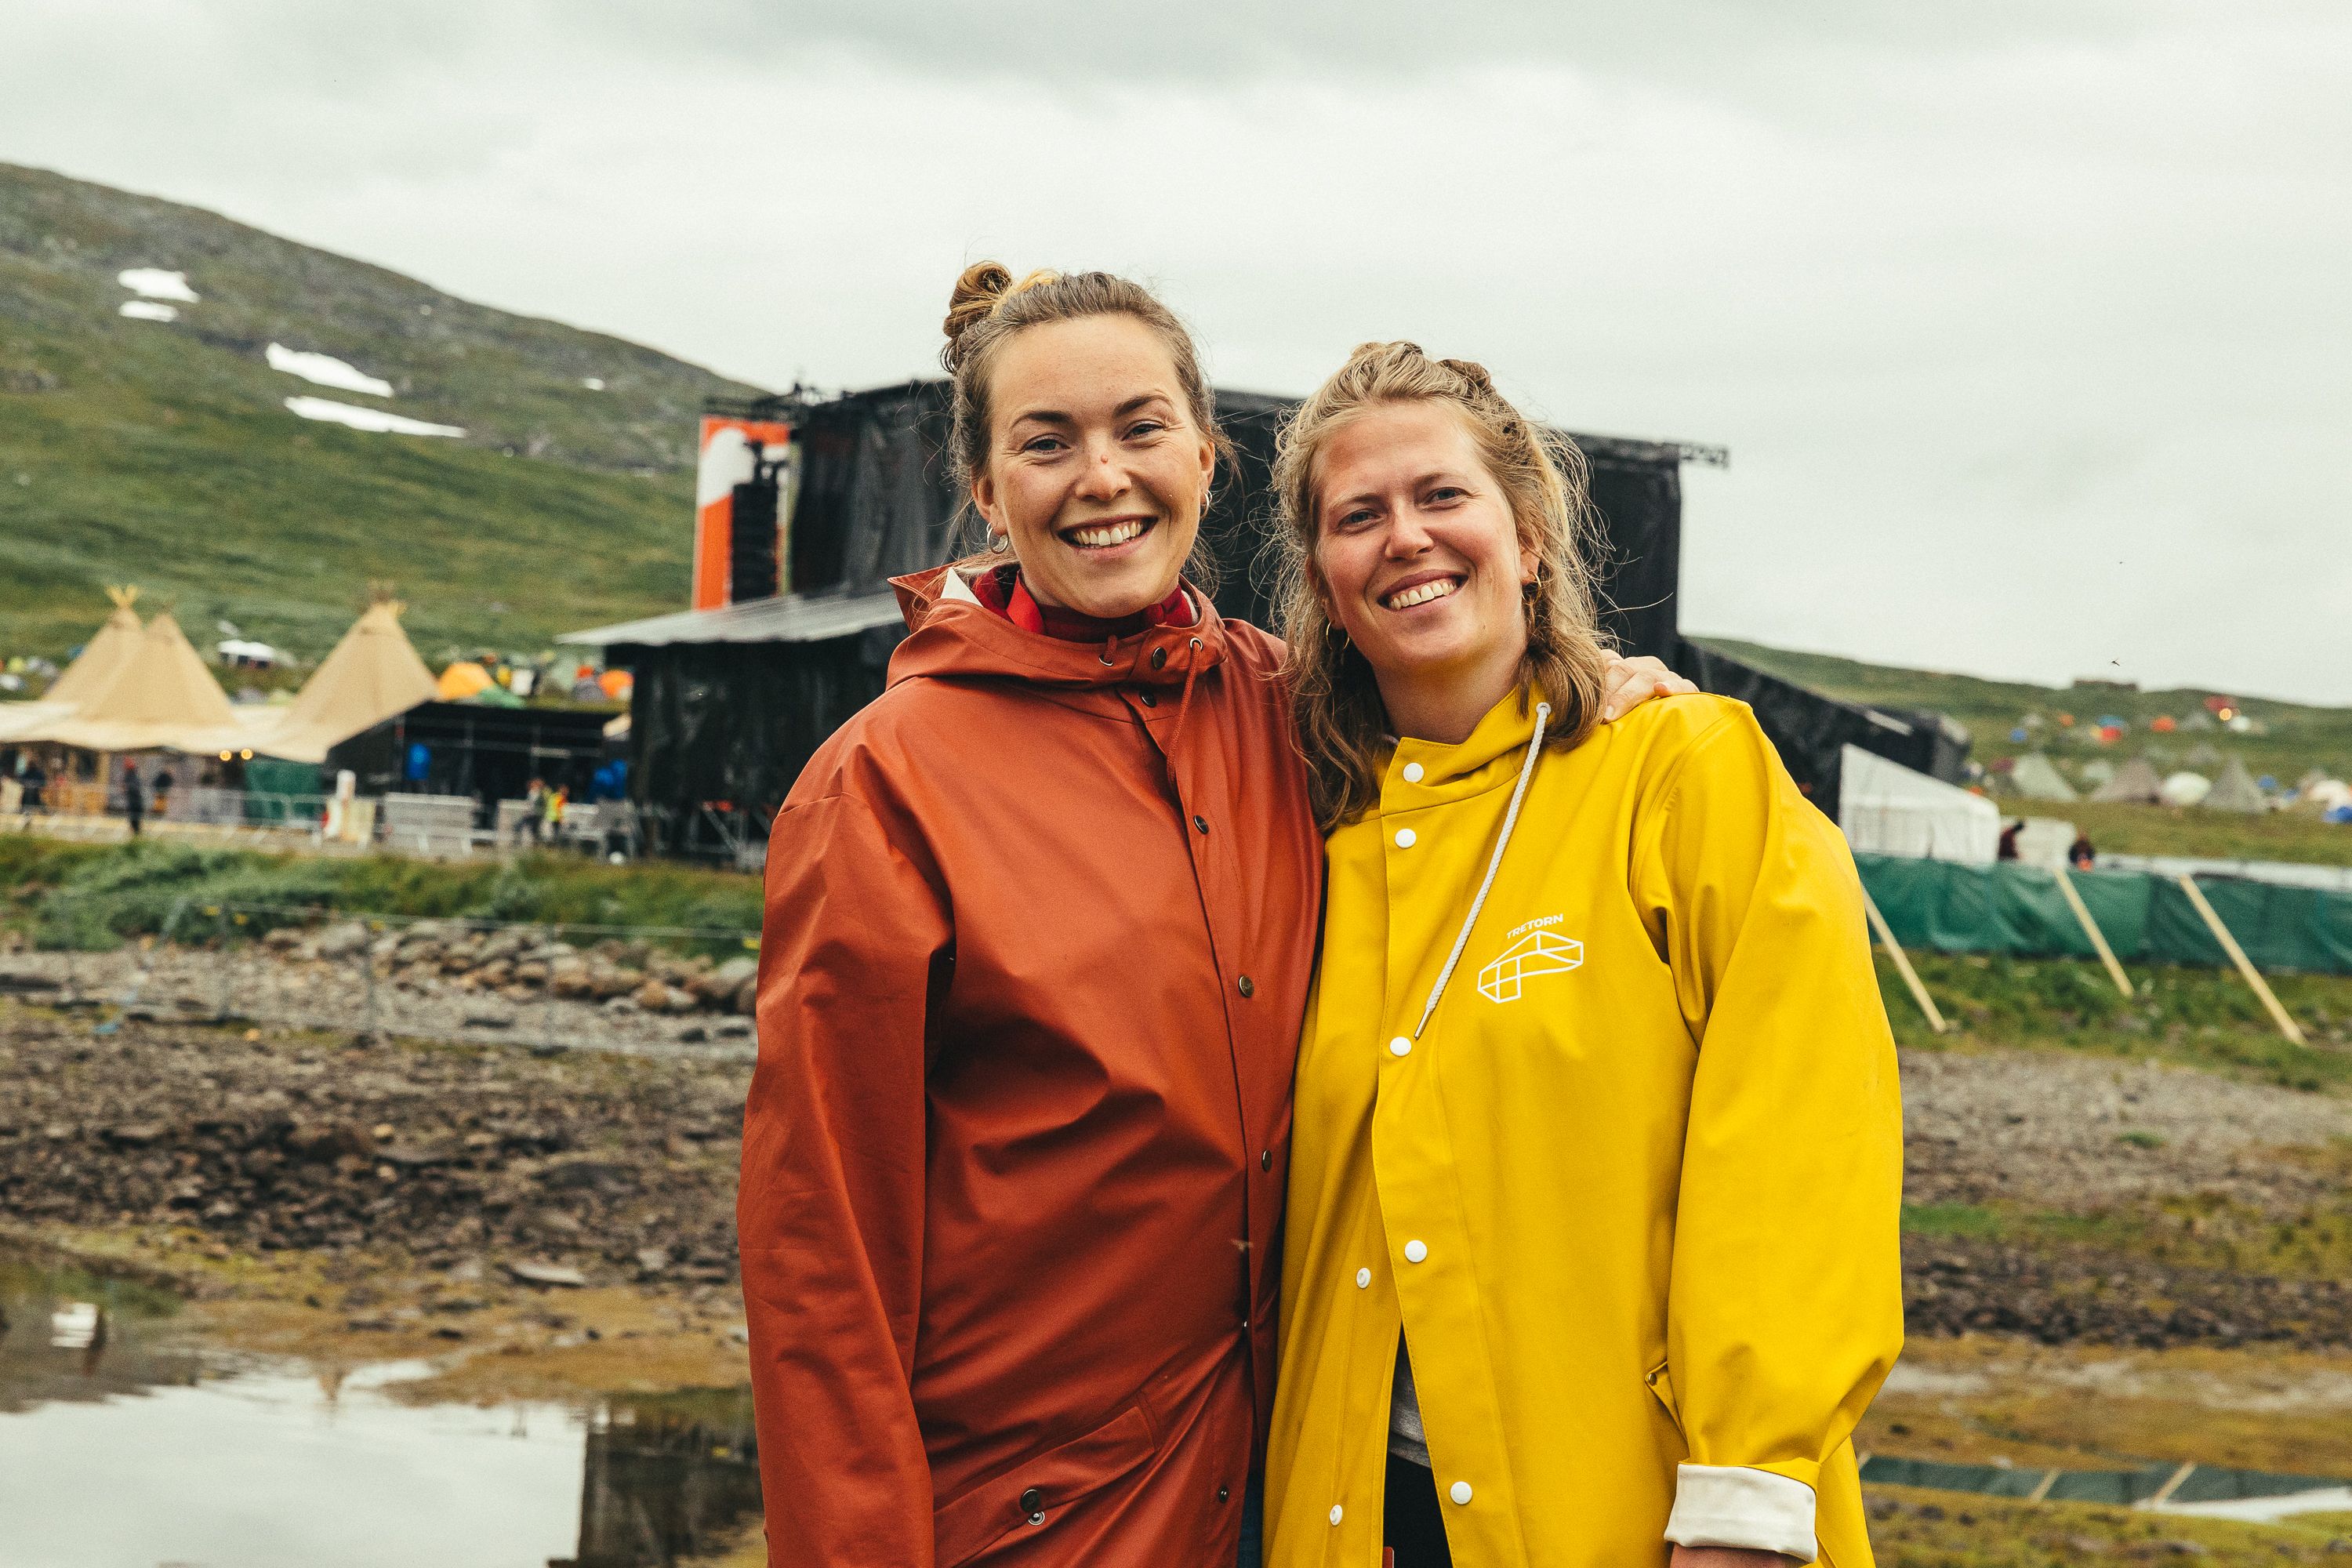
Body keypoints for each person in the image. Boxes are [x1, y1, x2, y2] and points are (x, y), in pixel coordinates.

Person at [740, 268, 1691, 1568]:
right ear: (985, 489)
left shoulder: (1291, 710)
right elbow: (819, 1252)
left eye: (1139, 429)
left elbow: (1474, 753)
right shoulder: (886, 782)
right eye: (1046, 443)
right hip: (1025, 1515)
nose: (1102, 477)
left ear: (1205, 451)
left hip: (1281, 1489)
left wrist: (1601, 698)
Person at [1261, 343, 1904, 1567]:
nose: (1406, 538)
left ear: (1531, 532)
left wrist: (1747, 1497)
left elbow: (1801, 1140)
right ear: (1321, 578)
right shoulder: (1307, 836)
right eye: (1360, 515)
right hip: (1358, 1517)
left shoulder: (1684, 774)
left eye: (1442, 496)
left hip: (1633, 1511)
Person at [120, 759, 145, 837]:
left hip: (135, 803)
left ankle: (136, 836)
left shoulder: (131, 776)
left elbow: (135, 788)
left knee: (135, 821)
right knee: (134, 821)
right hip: (134, 802)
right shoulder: (133, 776)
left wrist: (127, 788)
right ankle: (136, 836)